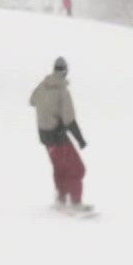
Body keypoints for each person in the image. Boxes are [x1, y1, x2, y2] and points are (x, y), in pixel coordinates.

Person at [29, 56, 90, 212]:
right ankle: (76, 203)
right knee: (77, 169)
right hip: (57, 136)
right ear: (65, 72)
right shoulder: (62, 91)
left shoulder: (42, 86)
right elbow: (69, 119)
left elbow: (32, 101)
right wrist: (80, 139)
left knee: (60, 168)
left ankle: (61, 200)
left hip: (45, 136)